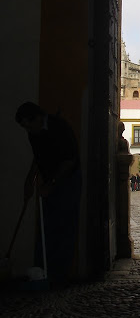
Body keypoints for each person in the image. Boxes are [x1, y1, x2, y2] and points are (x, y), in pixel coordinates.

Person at [16, 101, 82, 285]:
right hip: (49, 181)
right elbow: (38, 158)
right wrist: (30, 180)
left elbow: (69, 161)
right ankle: (43, 270)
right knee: (47, 225)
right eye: (24, 127)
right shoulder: (33, 132)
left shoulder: (60, 128)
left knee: (65, 226)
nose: (27, 130)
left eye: (29, 125)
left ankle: (59, 275)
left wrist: (51, 184)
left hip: (68, 180)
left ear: (37, 118)